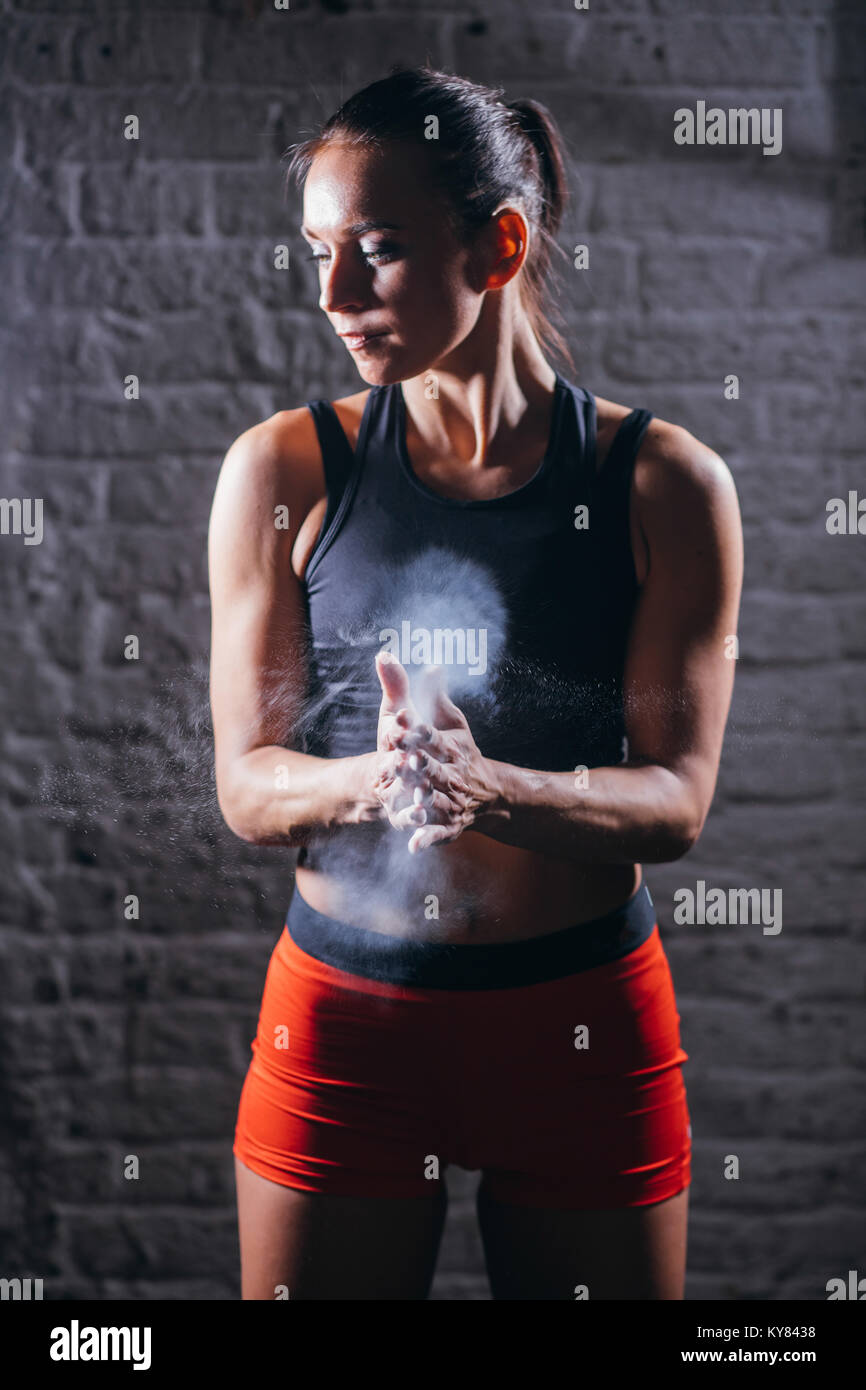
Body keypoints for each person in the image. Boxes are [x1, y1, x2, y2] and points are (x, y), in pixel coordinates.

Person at [208, 66, 743, 1300]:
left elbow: (675, 801)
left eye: (377, 251)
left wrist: (488, 785)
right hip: (344, 1023)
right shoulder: (283, 468)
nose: (333, 294)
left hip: (582, 1031)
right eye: (318, 251)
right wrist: (382, 779)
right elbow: (246, 786)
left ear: (498, 244)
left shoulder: (665, 485)